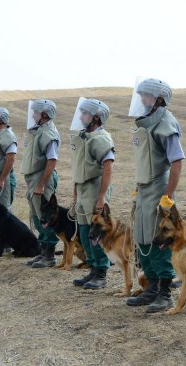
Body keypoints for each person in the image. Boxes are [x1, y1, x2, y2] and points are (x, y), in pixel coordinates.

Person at [125, 78, 185, 313]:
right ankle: (151, 288)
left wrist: (167, 197)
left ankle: (165, 293)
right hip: (144, 190)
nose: (141, 100)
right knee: (143, 238)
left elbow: (177, 162)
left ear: (159, 99)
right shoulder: (146, 125)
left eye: (146, 96)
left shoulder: (165, 125)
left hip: (159, 190)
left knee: (159, 241)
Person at [69, 98, 114, 289]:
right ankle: (93, 269)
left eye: (85, 113)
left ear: (95, 117)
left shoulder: (101, 138)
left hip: (94, 190)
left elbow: (108, 166)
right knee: (86, 233)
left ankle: (102, 273)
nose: (81, 116)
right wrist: (75, 195)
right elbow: (78, 168)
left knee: (97, 234)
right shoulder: (83, 138)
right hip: (82, 191)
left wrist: (102, 196)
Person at [22, 99, 61, 269]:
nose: (32, 115)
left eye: (35, 112)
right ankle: (42, 251)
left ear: (44, 115)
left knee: (46, 218)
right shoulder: (37, 132)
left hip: (41, 180)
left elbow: (52, 161)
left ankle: (49, 255)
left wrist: (42, 184)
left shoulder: (48, 134)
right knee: (37, 217)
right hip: (34, 180)